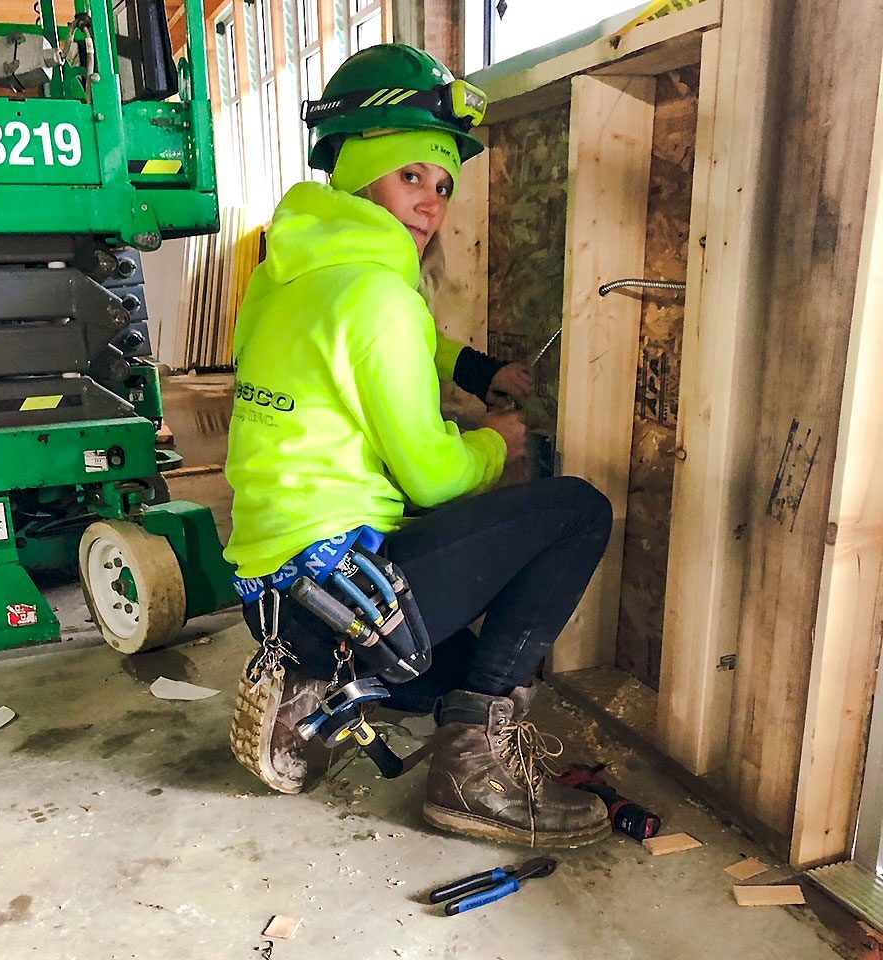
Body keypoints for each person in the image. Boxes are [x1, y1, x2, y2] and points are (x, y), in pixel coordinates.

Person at [225, 43, 613, 848]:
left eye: (442, 186)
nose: (432, 203)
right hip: (355, 585)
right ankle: (471, 773)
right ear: (363, 167)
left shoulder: (288, 271)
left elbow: (409, 342)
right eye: (412, 176)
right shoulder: (379, 294)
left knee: (457, 672)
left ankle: (311, 690)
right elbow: (435, 479)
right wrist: (496, 442)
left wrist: (478, 368)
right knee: (579, 511)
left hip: (275, 591)